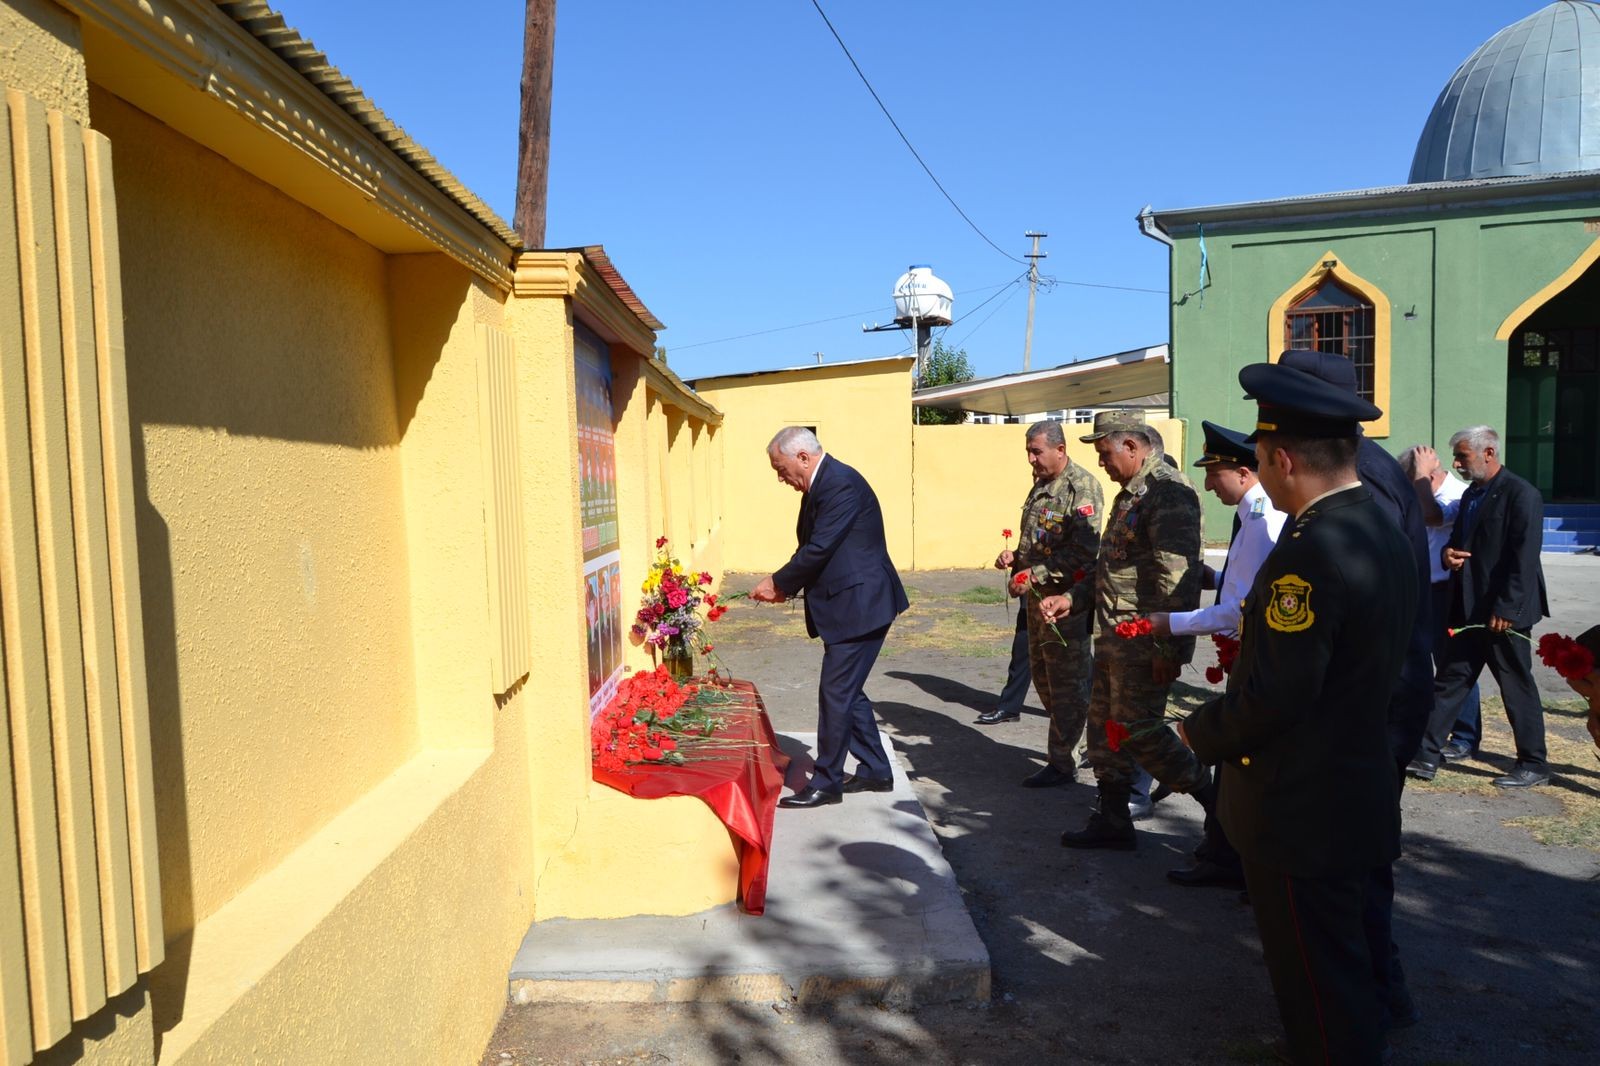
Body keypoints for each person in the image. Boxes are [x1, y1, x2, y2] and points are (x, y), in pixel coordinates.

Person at [1181, 359, 1417, 1066]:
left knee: (1317, 987)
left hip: (1302, 803)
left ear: (1282, 459)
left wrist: (1191, 733)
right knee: (1345, 965)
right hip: (1358, 780)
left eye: (1258, 459)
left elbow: (1277, 697)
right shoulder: (1379, 523)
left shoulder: (1306, 555)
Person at [1272, 349, 1432, 1034]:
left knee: (1346, 867)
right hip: (1387, 690)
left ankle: (1368, 1000)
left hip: (1371, 700)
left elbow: (1358, 609)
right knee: (1357, 862)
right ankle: (1375, 993)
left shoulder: (1355, 484)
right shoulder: (1371, 471)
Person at [1037, 411, 1215, 852]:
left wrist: (1169, 649)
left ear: (1132, 446)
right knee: (1103, 731)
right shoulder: (1131, 494)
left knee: (1141, 730)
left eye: (1105, 452)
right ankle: (1114, 819)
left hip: (1144, 641)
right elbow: (1110, 567)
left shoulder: (1168, 493)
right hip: (1115, 637)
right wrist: (1073, 598)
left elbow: (1177, 580)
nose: (1101, 463)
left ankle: (1219, 807)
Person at [1147, 420, 1286, 891]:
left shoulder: (1266, 519)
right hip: (1248, 656)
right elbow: (1238, 584)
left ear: (1245, 473)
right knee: (1233, 765)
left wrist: (1171, 622)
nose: (1208, 483)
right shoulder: (1251, 512)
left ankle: (1238, 861)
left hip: (1258, 658)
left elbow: (1241, 609)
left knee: (1241, 763)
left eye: (1215, 473)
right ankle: (1224, 853)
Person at [751, 427, 909, 809]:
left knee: (836, 692)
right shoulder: (820, 484)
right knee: (847, 691)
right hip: (852, 604)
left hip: (862, 605)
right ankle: (874, 769)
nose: (780, 477)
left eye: (781, 467)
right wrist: (786, 585)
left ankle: (827, 782)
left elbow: (820, 547)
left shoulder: (839, 484)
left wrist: (779, 581)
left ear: (803, 457)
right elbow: (814, 544)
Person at [1408, 426, 1551, 788]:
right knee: (1451, 681)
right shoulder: (1473, 494)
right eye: (1455, 457)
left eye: (1462, 456)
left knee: (1515, 685)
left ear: (1488, 453)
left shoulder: (1522, 494)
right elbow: (1457, 542)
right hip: (1469, 608)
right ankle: (1425, 755)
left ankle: (1533, 763)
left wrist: (1507, 608)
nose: (1456, 464)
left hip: (1505, 613)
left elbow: (1523, 558)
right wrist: (1447, 555)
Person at [995, 420, 1102, 786]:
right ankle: (1081, 743)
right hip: (1037, 603)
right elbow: (1039, 538)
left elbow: (1085, 553)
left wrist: (1033, 575)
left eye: (1036, 451)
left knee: (1067, 685)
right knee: (1043, 679)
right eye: (1028, 451)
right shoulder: (1042, 483)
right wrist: (1015, 558)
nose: (1031, 459)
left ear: (1060, 448)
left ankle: (1062, 763)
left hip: (1066, 604)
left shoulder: (1081, 488)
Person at [1401, 444, 1482, 760]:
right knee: (1427, 661)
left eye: (1415, 480)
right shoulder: (1424, 490)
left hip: (1447, 591)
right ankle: (1434, 728)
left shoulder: (1456, 494)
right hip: (1423, 588)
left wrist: (1419, 477)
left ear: (1427, 475)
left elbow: (1431, 517)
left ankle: (1464, 735)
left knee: (1454, 666)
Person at [975, 601, 1031, 725]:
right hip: (1033, 602)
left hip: (1068, 597)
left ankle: (1078, 711)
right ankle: (1009, 707)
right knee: (1023, 648)